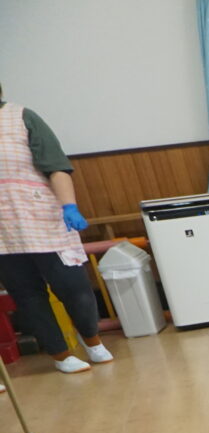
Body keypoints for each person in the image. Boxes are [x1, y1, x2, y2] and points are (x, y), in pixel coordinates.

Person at [0, 83, 115, 379]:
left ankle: (92, 340)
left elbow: (56, 167)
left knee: (73, 287)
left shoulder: (23, 117)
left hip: (44, 218)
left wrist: (69, 206)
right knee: (26, 295)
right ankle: (61, 355)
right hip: (4, 235)